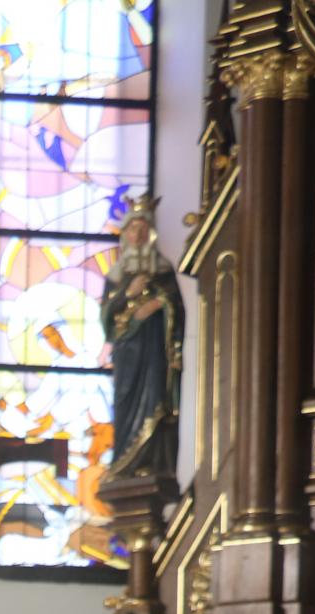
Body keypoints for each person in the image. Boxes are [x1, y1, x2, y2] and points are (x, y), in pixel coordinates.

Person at [100, 196, 184, 479]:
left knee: (155, 401)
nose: (137, 235)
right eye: (132, 229)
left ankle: (151, 461)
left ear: (151, 234)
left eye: (143, 229)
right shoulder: (116, 275)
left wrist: (159, 304)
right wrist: (129, 293)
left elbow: (177, 307)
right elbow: (107, 317)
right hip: (127, 352)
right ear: (125, 233)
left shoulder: (162, 270)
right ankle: (124, 461)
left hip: (154, 350)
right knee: (125, 401)